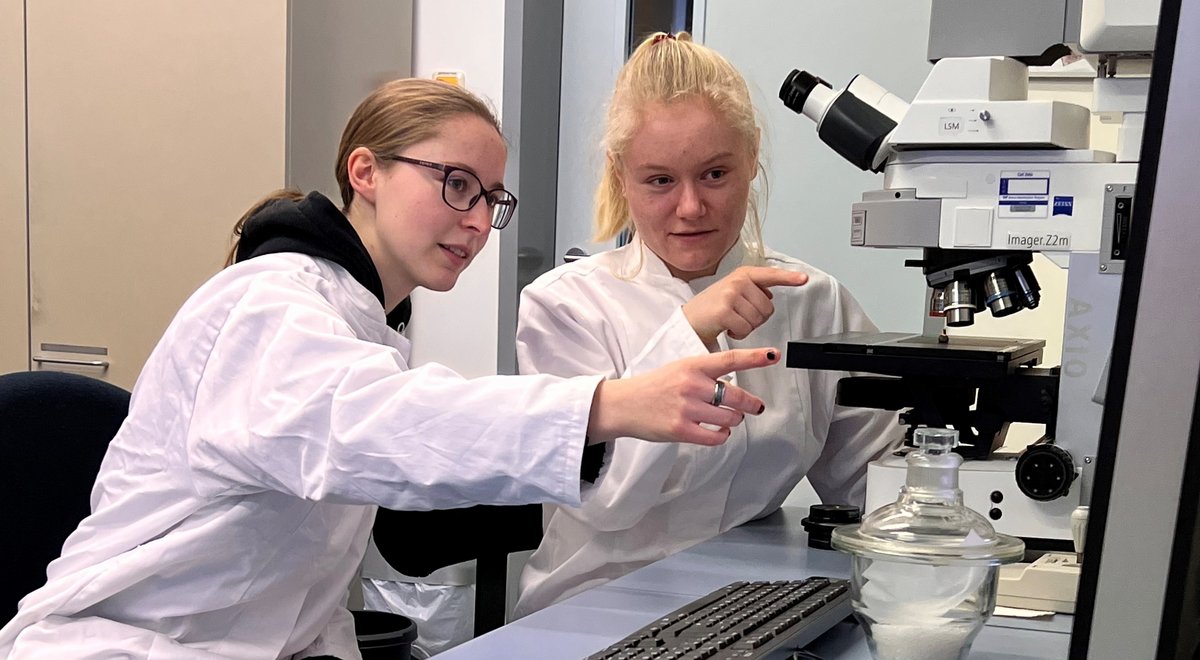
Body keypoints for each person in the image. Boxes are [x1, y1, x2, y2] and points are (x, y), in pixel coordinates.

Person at [0, 78, 781, 659]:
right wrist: (606, 404)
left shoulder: (361, 322)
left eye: (491, 198)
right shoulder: (269, 304)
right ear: (365, 172)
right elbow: (382, 422)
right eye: (456, 185)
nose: (477, 221)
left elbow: (304, 591)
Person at [512, 33, 904, 617]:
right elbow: (606, 502)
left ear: (750, 161)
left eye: (715, 174)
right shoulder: (566, 306)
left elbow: (874, 487)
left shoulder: (811, 301)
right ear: (622, 176)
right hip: (595, 608)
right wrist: (686, 332)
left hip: (751, 601)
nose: (691, 207)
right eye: (660, 180)